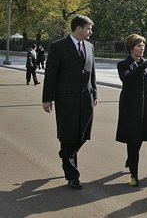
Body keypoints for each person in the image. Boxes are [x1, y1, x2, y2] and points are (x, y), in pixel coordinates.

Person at [42, 15, 98, 190]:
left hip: (86, 98)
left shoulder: (89, 46)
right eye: (89, 28)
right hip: (66, 98)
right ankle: (72, 175)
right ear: (78, 28)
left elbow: (92, 70)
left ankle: (66, 153)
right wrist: (47, 98)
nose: (91, 31)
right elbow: (51, 74)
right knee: (68, 134)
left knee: (83, 133)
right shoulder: (58, 47)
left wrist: (94, 91)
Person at [116, 34, 147, 187]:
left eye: (143, 45)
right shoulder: (123, 64)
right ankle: (134, 174)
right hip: (130, 108)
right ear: (131, 48)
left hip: (146, 107)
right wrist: (141, 66)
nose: (141, 48)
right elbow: (126, 79)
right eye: (138, 45)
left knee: (140, 137)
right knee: (133, 139)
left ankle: (131, 158)